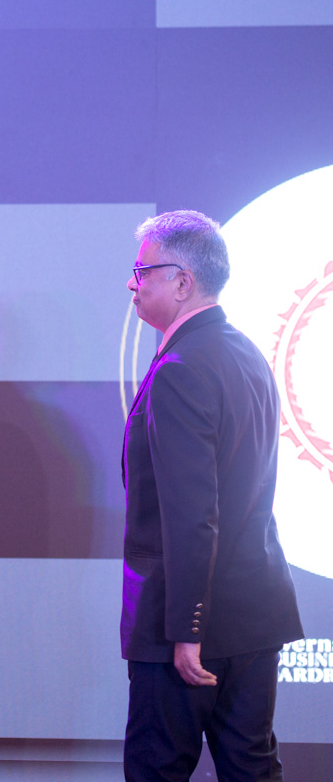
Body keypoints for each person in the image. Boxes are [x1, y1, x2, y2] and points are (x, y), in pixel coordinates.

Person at [120, 211, 303, 781]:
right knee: (252, 768)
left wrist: (188, 629)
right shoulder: (247, 352)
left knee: (157, 769)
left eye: (141, 271)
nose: (130, 283)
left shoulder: (180, 367)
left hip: (186, 625)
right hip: (255, 611)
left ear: (182, 281)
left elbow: (192, 515)